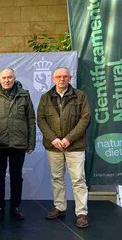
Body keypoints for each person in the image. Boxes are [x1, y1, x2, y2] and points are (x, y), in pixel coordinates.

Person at [37, 67, 90, 228]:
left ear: (70, 78)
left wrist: (68, 138)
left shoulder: (80, 96)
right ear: (53, 79)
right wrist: (53, 139)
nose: (62, 79)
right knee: (57, 178)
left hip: (75, 146)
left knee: (78, 180)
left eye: (65, 77)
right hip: (54, 147)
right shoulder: (46, 97)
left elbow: (85, 118)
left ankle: (81, 212)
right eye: (58, 77)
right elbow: (41, 119)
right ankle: (60, 207)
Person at [0, 68, 36, 220]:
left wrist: (31, 142)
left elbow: (31, 120)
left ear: (14, 78)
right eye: (4, 78)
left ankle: (15, 207)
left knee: (16, 177)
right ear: (0, 79)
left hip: (18, 144)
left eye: (9, 77)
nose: (7, 80)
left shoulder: (24, 95)